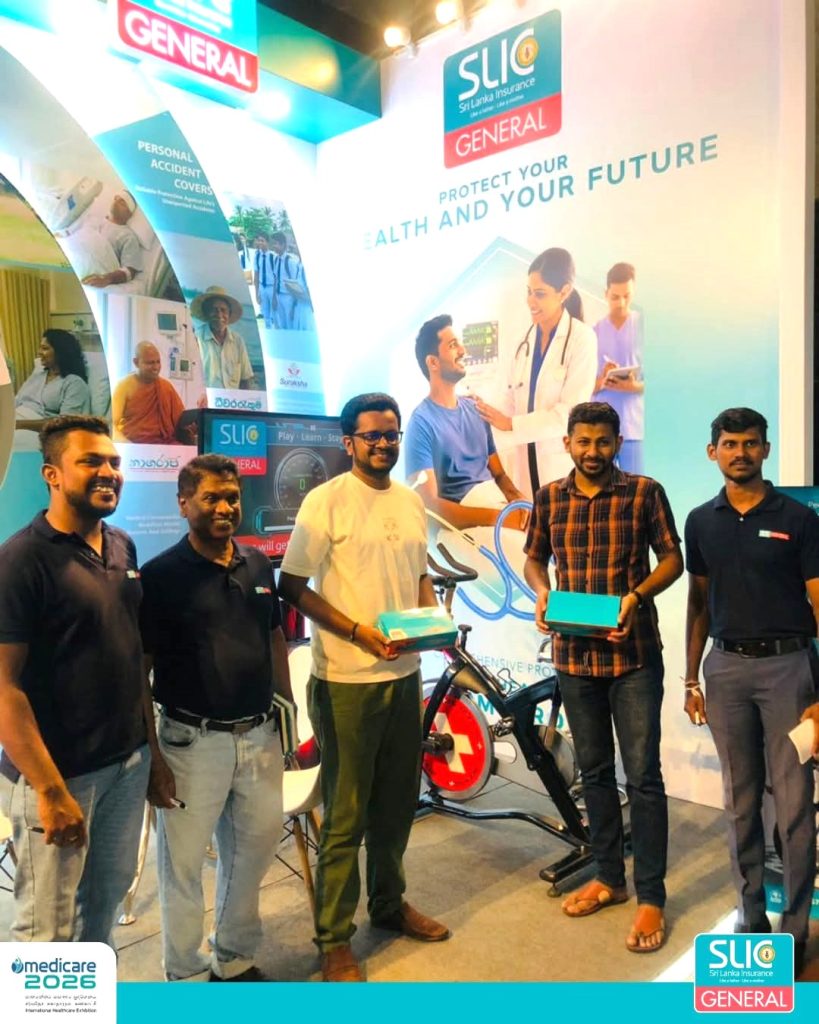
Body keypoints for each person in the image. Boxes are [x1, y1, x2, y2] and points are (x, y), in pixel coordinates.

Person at [278, 392, 450, 983]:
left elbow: (419, 575)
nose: (383, 443)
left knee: (397, 805)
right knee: (346, 815)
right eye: (371, 435)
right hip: (347, 680)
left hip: (404, 676)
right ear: (348, 442)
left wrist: (434, 624)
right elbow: (292, 586)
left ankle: (388, 904)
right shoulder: (325, 501)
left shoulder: (409, 501)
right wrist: (357, 632)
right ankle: (334, 940)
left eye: (391, 434)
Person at [0, 414, 166, 944]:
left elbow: (133, 657)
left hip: (126, 767)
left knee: (102, 909)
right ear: (51, 474)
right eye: (90, 461)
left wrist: (151, 755)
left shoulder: (121, 545)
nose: (109, 472)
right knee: (48, 931)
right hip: (61, 776)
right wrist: (50, 791)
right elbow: (4, 687)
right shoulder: (21, 560)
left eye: (114, 462)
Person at [524, 401, 682, 953]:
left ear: (617, 443)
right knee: (593, 773)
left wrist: (636, 598)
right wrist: (542, 592)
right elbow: (534, 558)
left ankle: (651, 896)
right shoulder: (549, 497)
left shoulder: (644, 492)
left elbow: (672, 559)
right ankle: (610, 878)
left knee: (643, 777)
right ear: (567, 443)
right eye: (583, 441)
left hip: (632, 655)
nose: (593, 451)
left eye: (603, 441)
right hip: (574, 657)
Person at [140, 454, 292, 982]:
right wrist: (152, 754)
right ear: (184, 504)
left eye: (232, 497)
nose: (225, 507)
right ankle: (184, 973)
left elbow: (274, 635)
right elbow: (141, 668)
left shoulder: (258, 564)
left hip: (260, 737)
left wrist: (287, 714)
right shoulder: (160, 576)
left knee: (253, 853)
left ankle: (233, 957)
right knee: (182, 865)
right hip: (190, 743)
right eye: (211, 498)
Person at [684, 407, 819, 975]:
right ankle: (751, 919)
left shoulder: (799, 518)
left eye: (750, 443)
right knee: (740, 803)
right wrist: (691, 677)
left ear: (766, 450)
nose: (740, 452)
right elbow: (698, 602)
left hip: (789, 670)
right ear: (713, 451)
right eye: (730, 443)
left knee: (793, 807)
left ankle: (795, 929)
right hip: (725, 671)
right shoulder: (700, 521)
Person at [473, 248, 598, 499]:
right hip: (523, 471)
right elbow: (506, 402)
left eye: (540, 294)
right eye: (529, 291)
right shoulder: (521, 342)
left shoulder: (582, 339)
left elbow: (569, 414)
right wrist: (480, 413)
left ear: (564, 292)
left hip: (562, 469)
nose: (531, 301)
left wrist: (511, 424)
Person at [405, 314, 528, 531]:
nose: (463, 351)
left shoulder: (475, 410)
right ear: (433, 362)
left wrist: (516, 497)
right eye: (453, 345)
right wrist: (499, 519)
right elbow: (429, 508)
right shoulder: (421, 424)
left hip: (495, 506)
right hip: (463, 528)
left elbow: (499, 474)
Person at [593, 263, 644, 474]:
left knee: (640, 489)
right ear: (605, 294)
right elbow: (583, 387)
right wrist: (603, 379)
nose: (621, 303)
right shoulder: (593, 333)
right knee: (603, 489)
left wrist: (633, 387)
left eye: (627, 296)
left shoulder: (644, 328)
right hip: (601, 430)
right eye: (615, 297)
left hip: (634, 429)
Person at [15, 329, 91, 433]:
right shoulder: (36, 377)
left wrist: (18, 424)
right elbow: (15, 402)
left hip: (37, 432)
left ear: (61, 352)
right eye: (40, 348)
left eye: (45, 348)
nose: (39, 352)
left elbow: (65, 423)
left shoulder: (74, 383)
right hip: (13, 421)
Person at [111, 341, 185, 445]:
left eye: (158, 362)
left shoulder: (166, 386)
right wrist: (128, 445)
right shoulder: (124, 386)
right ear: (136, 362)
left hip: (165, 444)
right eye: (150, 363)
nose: (156, 367)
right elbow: (111, 425)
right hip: (134, 444)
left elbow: (181, 421)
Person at [192, 286, 257, 390]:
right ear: (206, 313)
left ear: (229, 314)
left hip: (232, 399)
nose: (219, 315)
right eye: (214, 310)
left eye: (223, 310)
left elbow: (245, 379)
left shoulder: (238, 341)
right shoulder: (196, 338)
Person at [81, 190, 142, 289]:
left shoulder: (128, 236)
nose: (116, 201)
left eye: (122, 202)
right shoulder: (94, 220)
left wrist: (106, 279)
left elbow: (129, 271)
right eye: (116, 198)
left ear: (129, 214)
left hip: (96, 269)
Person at [270, 232, 299, 330]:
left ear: (283, 245)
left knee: (290, 325)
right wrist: (274, 297)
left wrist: (294, 305)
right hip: (279, 296)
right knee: (282, 324)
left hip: (288, 298)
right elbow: (275, 279)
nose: (273, 246)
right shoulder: (276, 260)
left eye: (276, 243)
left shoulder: (290, 261)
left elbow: (295, 285)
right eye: (273, 243)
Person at [253, 233, 276, 329]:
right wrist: (257, 293)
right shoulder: (257, 256)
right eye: (259, 240)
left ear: (267, 242)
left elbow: (276, 277)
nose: (260, 243)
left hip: (272, 287)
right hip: (262, 287)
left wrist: (275, 295)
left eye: (262, 241)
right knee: (265, 315)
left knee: (275, 314)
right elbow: (256, 274)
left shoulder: (272, 256)